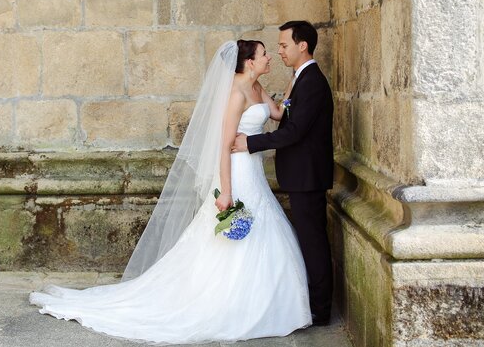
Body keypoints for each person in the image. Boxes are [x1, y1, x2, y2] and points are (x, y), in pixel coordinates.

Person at [30, 40, 312, 344]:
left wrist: (293, 84)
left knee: (266, 232)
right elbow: (224, 146)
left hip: (254, 171)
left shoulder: (258, 89)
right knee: (234, 238)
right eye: (263, 54)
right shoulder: (235, 93)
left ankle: (264, 302)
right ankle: (223, 300)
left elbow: (279, 115)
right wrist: (226, 191)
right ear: (249, 62)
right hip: (238, 172)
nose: (269, 57)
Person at [232, 21, 334, 326]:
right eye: (275, 47)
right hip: (302, 175)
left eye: (284, 45)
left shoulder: (312, 81)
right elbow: (284, 115)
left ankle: (320, 309)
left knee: (313, 242)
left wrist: (251, 142)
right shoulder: (300, 79)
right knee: (308, 239)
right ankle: (314, 303)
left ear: (302, 45)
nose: (280, 51)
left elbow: (295, 132)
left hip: (308, 176)